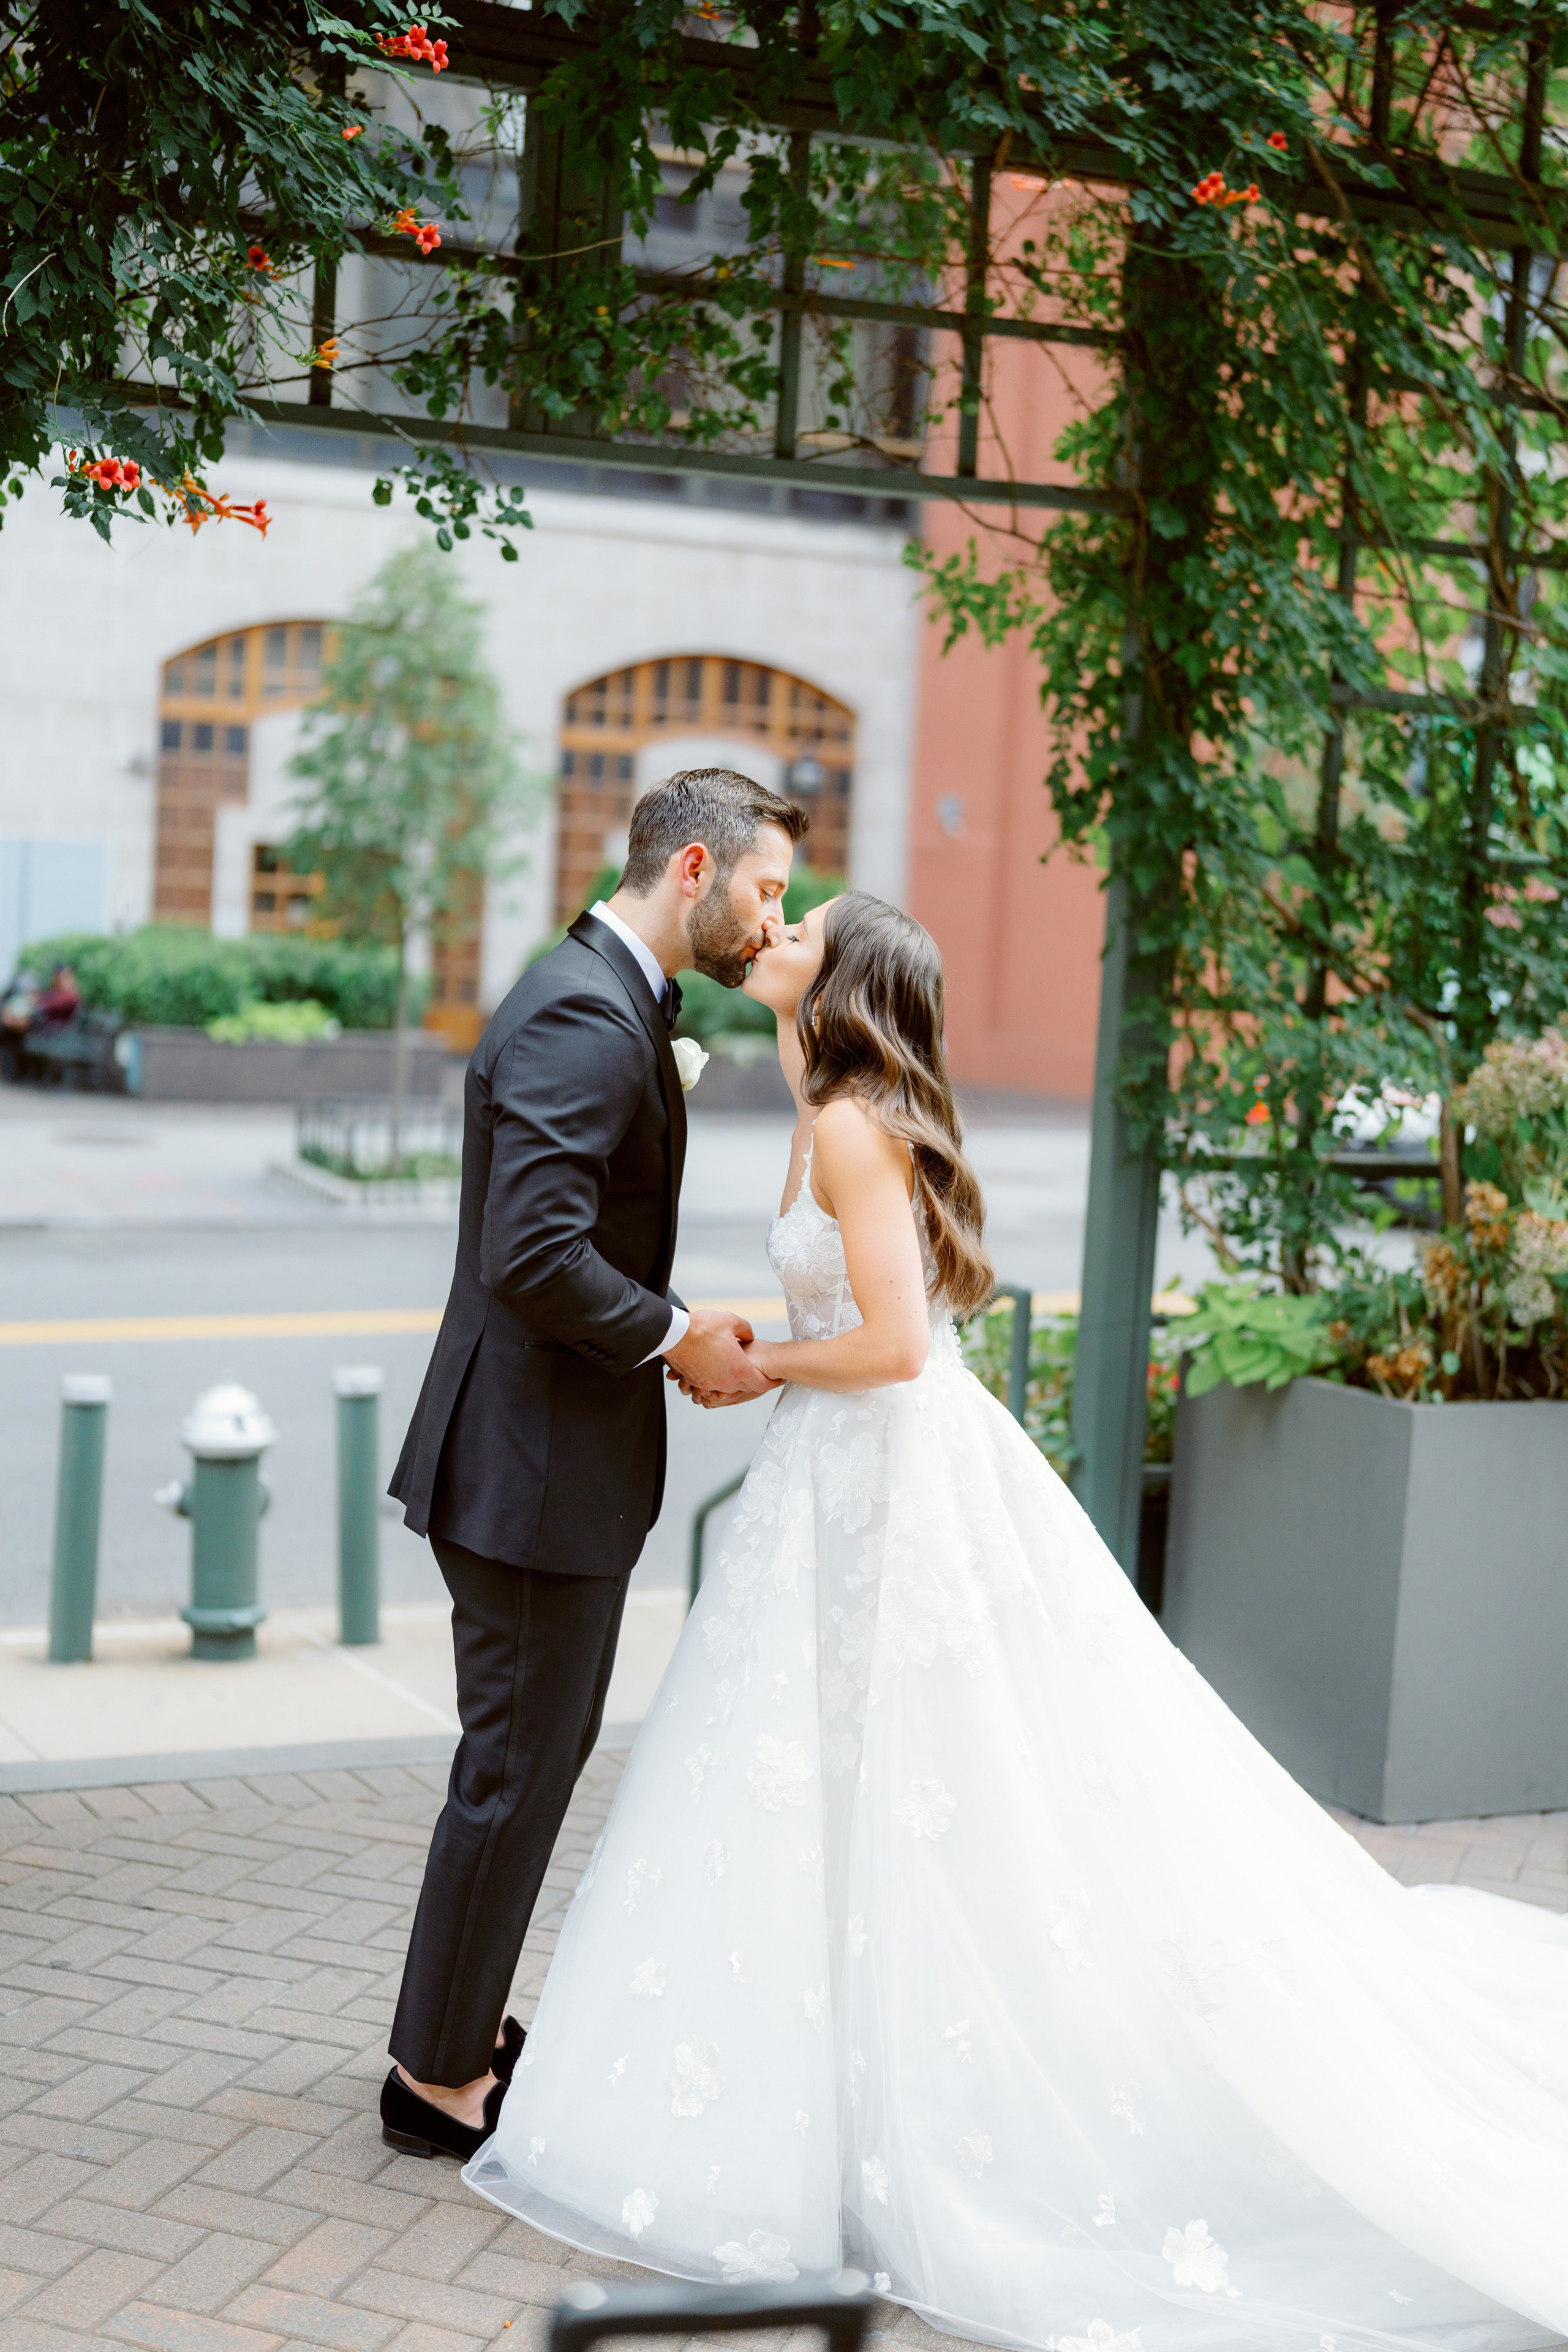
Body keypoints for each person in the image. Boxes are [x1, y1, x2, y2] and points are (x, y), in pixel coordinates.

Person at [464, 891, 1568, 2351]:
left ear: (839, 980)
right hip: (834, 1481)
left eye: (801, 926)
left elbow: (895, 1346)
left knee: (911, 1777)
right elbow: (848, 1292)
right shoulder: (825, 1107)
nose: (772, 927)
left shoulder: (853, 1124)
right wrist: (730, 1330)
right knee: (828, 1773)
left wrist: (757, 1366)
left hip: (882, 1486)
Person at [380, 768, 809, 2162]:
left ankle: (457, 2029)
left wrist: (670, 1326)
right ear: (694, 871)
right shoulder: (584, 1012)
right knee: (513, 1772)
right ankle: (433, 2078)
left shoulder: (601, 994)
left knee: (531, 1761)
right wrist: (678, 1335)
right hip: (525, 1473)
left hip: (543, 1462)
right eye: (764, 889)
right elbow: (535, 1254)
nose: (771, 917)